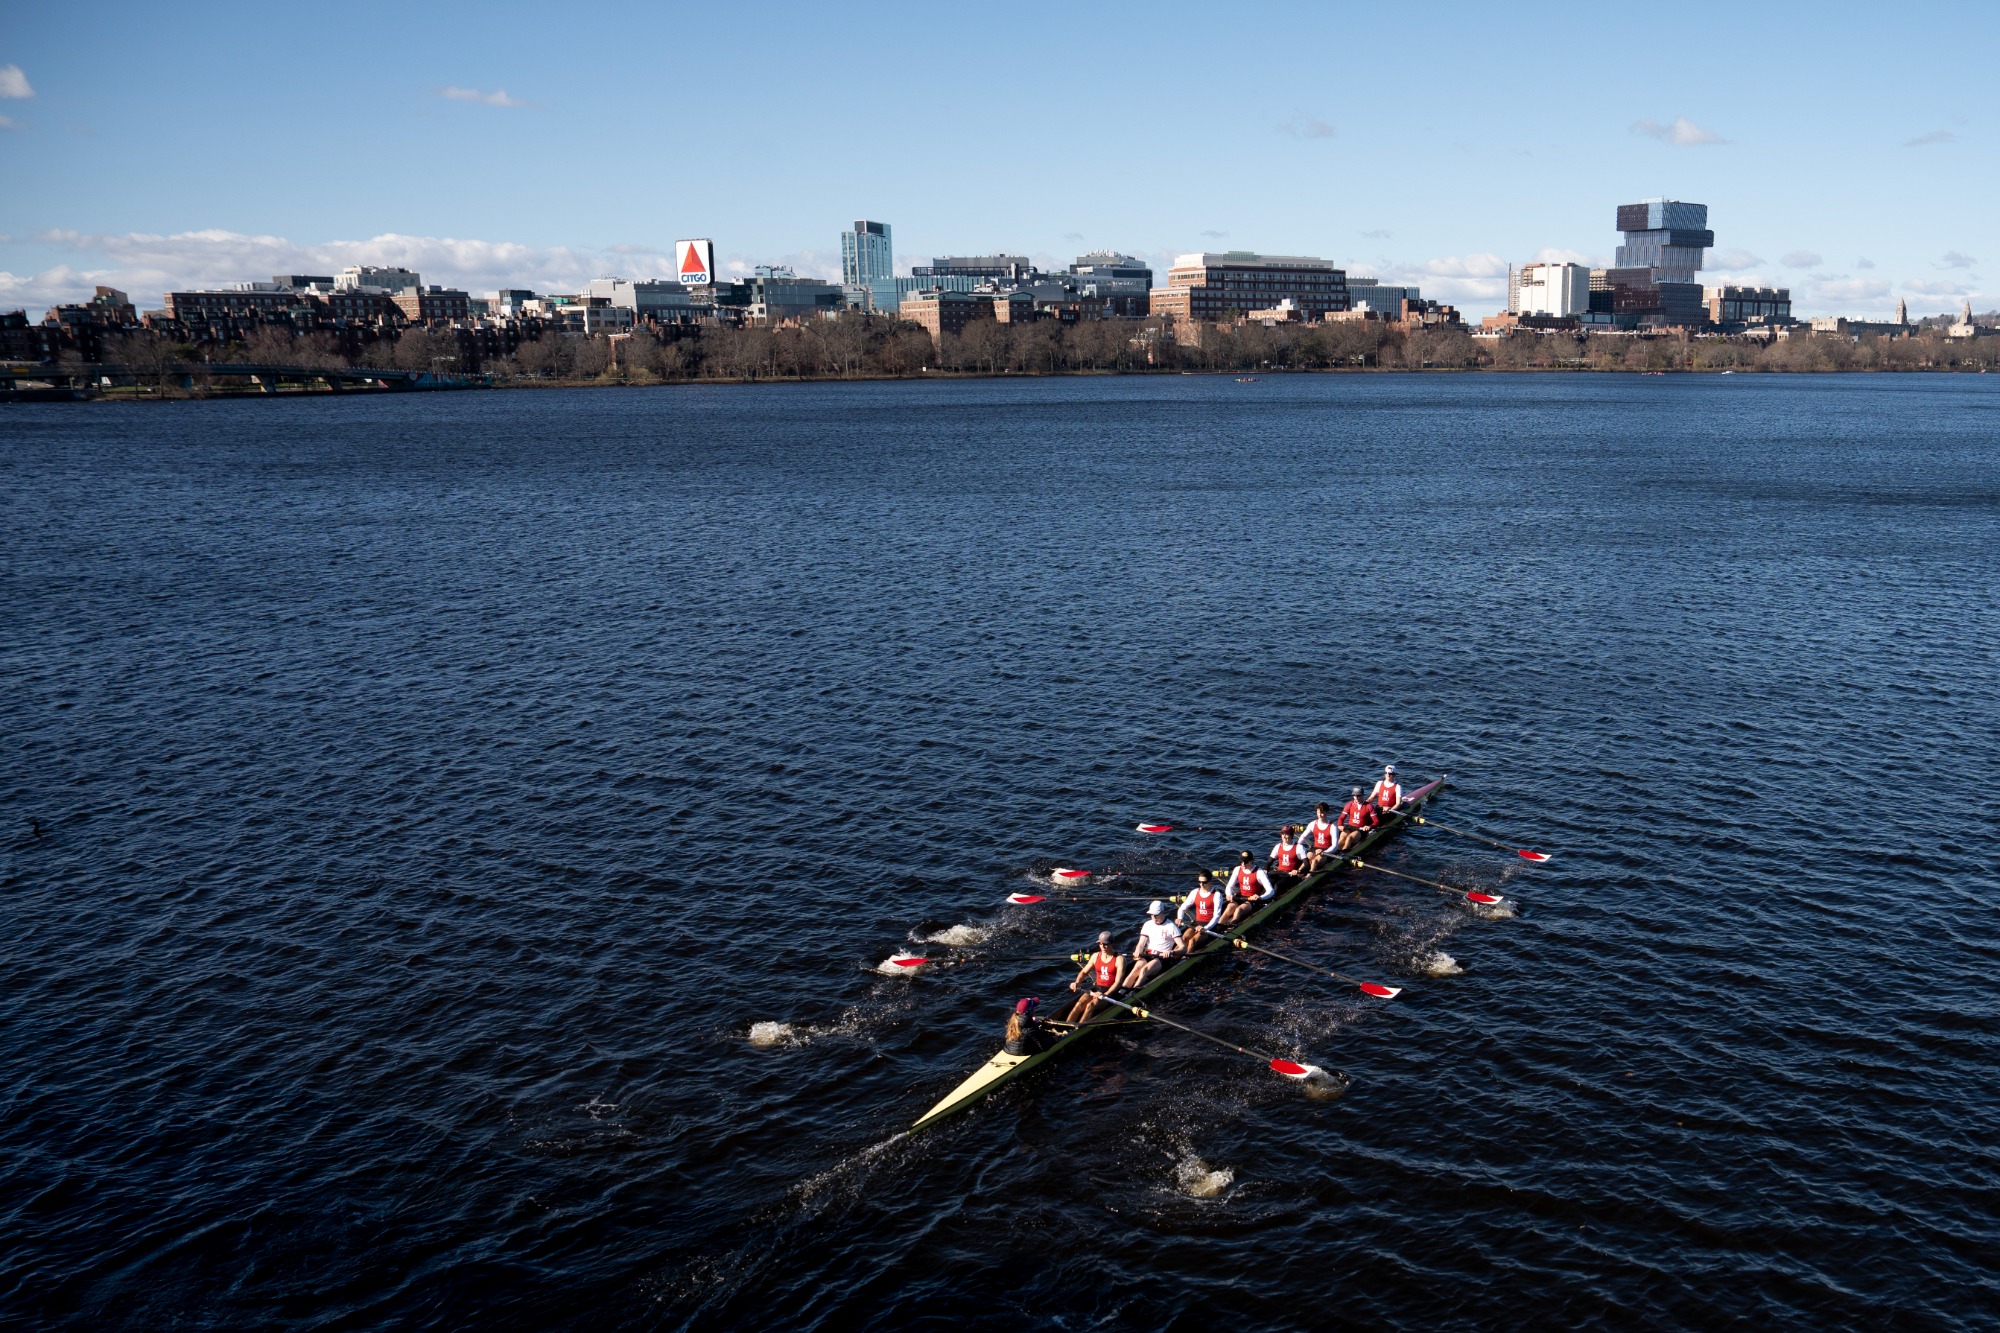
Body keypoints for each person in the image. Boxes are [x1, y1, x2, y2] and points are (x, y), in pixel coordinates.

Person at [1063, 931, 1127, 1024]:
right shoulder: (1095, 956)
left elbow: (1118, 982)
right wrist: (1077, 982)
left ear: (1112, 944)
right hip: (1097, 987)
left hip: (1111, 991)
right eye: (1100, 944)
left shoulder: (1119, 959)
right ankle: (1065, 1027)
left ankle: (1077, 1030)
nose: (1103, 947)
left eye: (1106, 944)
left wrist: (1106, 994)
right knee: (1079, 1004)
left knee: (1090, 1005)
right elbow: (1084, 972)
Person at [1124, 901, 1185, 992]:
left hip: (1162, 958)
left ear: (1162, 912)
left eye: (1156, 915)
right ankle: (1121, 992)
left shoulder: (1171, 926)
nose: (1153, 917)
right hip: (1148, 954)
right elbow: (1141, 944)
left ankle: (1133, 993)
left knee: (1144, 970)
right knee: (1135, 969)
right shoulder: (1147, 924)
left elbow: (1183, 948)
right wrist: (1138, 951)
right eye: (1152, 915)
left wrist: (1172, 952)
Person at [1218, 850, 1275, 929]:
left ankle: (1230, 929)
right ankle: (1218, 927)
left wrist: (1260, 897)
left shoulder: (1259, 872)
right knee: (1229, 907)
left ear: (1252, 861)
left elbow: (1271, 891)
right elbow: (1229, 886)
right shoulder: (1237, 869)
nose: (1243, 864)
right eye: (1241, 861)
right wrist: (1229, 894)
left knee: (1239, 910)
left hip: (1252, 900)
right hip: (1240, 896)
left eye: (1245, 862)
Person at [1175, 870, 1228, 951]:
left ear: (1210, 881)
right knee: (1184, 938)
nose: (1202, 885)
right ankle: (1172, 958)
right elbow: (1182, 907)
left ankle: (1185, 959)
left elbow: (1217, 916)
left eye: (1204, 882)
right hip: (1197, 923)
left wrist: (1206, 928)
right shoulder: (1195, 892)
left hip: (1210, 926)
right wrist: (1179, 917)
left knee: (1192, 941)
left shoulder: (1217, 895)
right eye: (1199, 882)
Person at [1300, 802, 1340, 872]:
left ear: (1327, 812)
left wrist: (1325, 852)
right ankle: (1297, 875)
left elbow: (1335, 846)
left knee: (1315, 861)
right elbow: (1303, 837)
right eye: (1318, 812)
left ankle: (1308, 877)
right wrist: (1297, 847)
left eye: (1322, 812)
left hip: (1327, 851)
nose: (1320, 815)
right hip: (1315, 848)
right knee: (1307, 858)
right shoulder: (1312, 824)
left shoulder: (1333, 827)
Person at [1337, 785, 1379, 851]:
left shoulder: (1369, 806)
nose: (1356, 798)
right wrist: (1340, 825)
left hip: (1361, 829)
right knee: (1342, 837)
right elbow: (1341, 818)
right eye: (1354, 795)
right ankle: (1337, 852)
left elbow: (1376, 821)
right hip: (1350, 827)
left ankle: (1344, 853)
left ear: (1362, 795)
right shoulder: (1349, 804)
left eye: (1358, 796)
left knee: (1349, 838)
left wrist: (1369, 827)